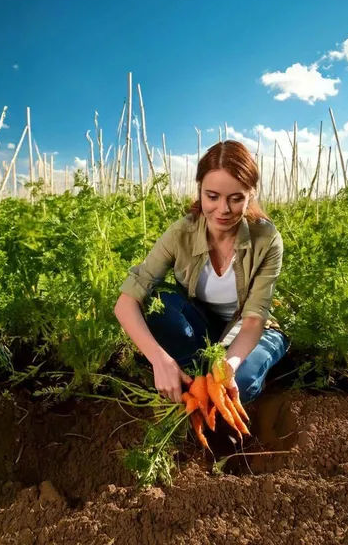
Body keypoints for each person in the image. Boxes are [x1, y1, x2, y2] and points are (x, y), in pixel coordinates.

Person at [113, 140, 289, 405]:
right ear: (200, 190)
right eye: (213, 196)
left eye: (236, 198)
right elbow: (126, 303)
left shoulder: (266, 239)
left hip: (248, 329)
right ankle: (191, 381)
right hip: (202, 326)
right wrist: (160, 360)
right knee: (160, 304)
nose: (223, 210)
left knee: (239, 383)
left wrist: (228, 367)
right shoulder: (181, 233)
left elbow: (253, 321)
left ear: (251, 194)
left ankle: (218, 380)